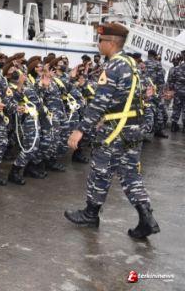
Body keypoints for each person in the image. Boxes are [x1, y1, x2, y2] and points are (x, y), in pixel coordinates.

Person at [65, 22, 160, 239]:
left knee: (100, 170)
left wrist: (80, 130)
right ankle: (147, 218)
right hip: (133, 128)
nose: (98, 44)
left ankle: (91, 214)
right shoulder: (132, 64)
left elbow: (99, 103)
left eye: (100, 40)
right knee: (130, 174)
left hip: (115, 131)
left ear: (110, 43)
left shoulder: (114, 67)